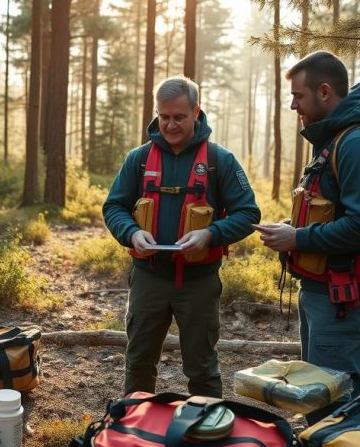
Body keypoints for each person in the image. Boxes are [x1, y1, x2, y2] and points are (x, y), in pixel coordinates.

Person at [254, 51, 360, 447]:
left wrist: (297, 236)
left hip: (347, 297)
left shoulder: (358, 144)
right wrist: (296, 233)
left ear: (324, 92)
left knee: (334, 403)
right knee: (323, 396)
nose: (294, 105)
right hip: (327, 292)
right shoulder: (337, 140)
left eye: (299, 95)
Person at [103, 76, 261, 398]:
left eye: (179, 117)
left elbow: (249, 214)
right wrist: (131, 233)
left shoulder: (220, 161)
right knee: (138, 362)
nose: (170, 125)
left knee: (202, 367)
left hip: (198, 282)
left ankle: (206, 436)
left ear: (196, 112)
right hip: (148, 279)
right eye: (164, 117)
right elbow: (114, 207)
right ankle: (134, 432)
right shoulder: (139, 159)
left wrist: (211, 233)